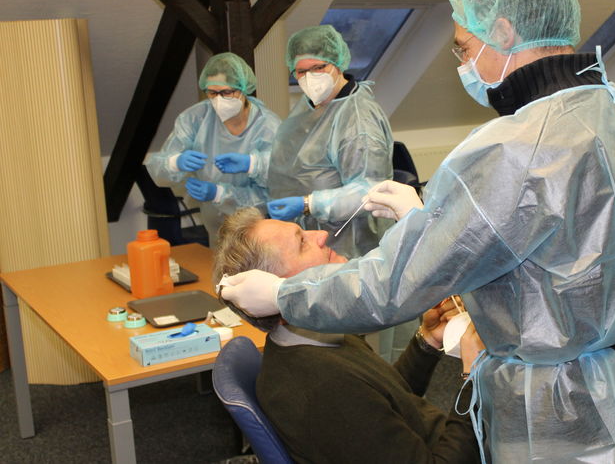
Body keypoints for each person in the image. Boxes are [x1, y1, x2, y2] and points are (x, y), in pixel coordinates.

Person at [219, 0, 615, 462]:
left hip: (566, 405)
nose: (461, 63)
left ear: (503, 31)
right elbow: (576, 242)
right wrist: (432, 224)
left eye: (465, 48)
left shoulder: (518, 143)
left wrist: (286, 291)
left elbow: (393, 287)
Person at [212, 208, 482, 464]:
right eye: (302, 242)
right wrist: (473, 379)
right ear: (272, 290)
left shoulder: (319, 334)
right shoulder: (321, 390)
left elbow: (381, 398)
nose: (321, 235)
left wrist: (428, 340)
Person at [266, 24, 394, 259]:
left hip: (351, 244)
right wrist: (252, 165)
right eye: (300, 71)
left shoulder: (358, 119)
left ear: (337, 64)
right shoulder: (312, 106)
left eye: (318, 67)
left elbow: (369, 190)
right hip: (309, 241)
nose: (309, 77)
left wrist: (309, 204)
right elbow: (296, 157)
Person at [146, 52, 280, 247]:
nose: (218, 99)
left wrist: (221, 192)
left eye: (226, 92)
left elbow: (276, 190)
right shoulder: (196, 118)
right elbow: (157, 169)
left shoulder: (268, 126)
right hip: (214, 227)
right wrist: (175, 162)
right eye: (212, 93)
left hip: (257, 230)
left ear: (244, 89)